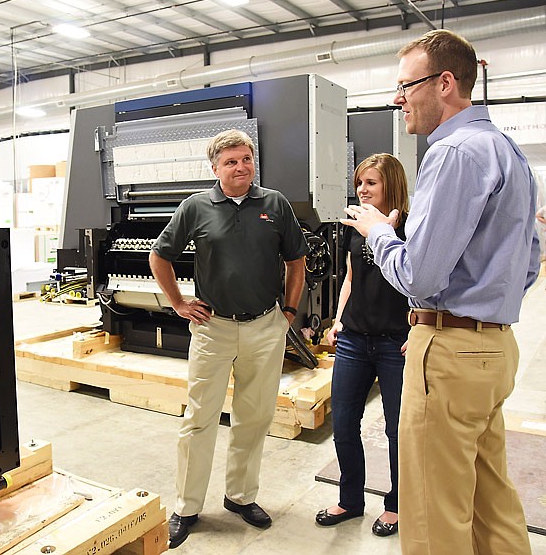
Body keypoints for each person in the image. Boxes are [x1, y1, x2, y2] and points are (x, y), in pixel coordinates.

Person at [342, 29, 540, 555]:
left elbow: (421, 277)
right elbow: (530, 262)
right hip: (494, 349)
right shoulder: (508, 151)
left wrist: (377, 231)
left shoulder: (453, 152)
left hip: (450, 351)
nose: (398, 99)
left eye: (406, 86)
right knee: (490, 501)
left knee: (433, 514)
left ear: (445, 82)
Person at [149, 129, 309, 549]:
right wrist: (179, 302)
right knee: (199, 419)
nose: (241, 167)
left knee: (253, 418)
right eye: (231, 162)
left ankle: (240, 497)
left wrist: (289, 312)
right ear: (215, 168)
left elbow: (297, 260)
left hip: (264, 328)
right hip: (213, 329)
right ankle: (186, 506)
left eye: (246, 159)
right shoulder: (196, 207)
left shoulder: (274, 204)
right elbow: (160, 255)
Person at [315, 154, 410, 537]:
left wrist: (417, 331)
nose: (362, 190)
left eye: (371, 183)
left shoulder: (413, 227)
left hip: (394, 343)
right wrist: (338, 320)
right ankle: (350, 500)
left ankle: (398, 504)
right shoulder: (357, 227)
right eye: (359, 184)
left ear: (392, 185)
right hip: (354, 338)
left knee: (397, 429)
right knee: (344, 423)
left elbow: (423, 282)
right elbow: (351, 278)